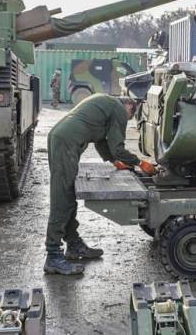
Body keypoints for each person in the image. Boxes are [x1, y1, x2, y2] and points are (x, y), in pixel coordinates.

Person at [44, 94, 157, 275]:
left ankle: (73, 244)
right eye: (129, 117)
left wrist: (114, 161)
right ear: (130, 106)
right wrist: (140, 163)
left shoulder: (106, 102)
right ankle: (53, 256)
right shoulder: (119, 109)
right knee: (62, 198)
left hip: (62, 138)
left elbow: (101, 141)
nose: (126, 120)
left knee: (68, 195)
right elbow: (117, 147)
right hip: (66, 143)